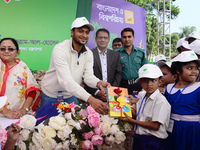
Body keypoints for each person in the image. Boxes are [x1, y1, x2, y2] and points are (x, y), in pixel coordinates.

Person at [41, 17, 109, 114]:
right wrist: (91, 99)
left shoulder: (89, 53)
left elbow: (88, 76)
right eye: (80, 31)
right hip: (51, 95)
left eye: (87, 32)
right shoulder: (60, 49)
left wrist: (98, 83)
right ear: (72, 32)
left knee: (70, 126)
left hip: (70, 94)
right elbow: (66, 81)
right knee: (46, 126)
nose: (84, 35)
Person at [120, 64, 171, 150]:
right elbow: (141, 117)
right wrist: (131, 110)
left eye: (153, 80)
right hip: (139, 139)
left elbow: (155, 126)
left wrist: (132, 120)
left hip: (153, 141)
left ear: (160, 81)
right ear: (140, 83)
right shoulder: (142, 98)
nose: (149, 84)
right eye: (145, 81)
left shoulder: (160, 100)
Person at [165, 51, 200, 150]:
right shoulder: (169, 88)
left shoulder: (198, 88)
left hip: (192, 130)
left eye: (196, 68)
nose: (194, 71)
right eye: (189, 68)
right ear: (178, 70)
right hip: (172, 128)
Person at [0, 38, 41, 119]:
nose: (6, 51)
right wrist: (5, 111)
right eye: (2, 48)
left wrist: (24, 110)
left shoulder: (22, 67)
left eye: (10, 49)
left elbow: (32, 91)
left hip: (18, 116)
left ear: (17, 52)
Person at [84, 28, 122, 101]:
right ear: (95, 39)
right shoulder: (89, 54)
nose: (103, 40)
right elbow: (85, 76)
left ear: (108, 40)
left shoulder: (115, 55)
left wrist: (111, 91)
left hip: (112, 95)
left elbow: (118, 74)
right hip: (93, 96)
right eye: (100, 37)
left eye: (105, 38)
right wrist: (97, 92)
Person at [116, 27, 147, 95]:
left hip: (138, 85)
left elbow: (145, 71)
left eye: (129, 37)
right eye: (124, 37)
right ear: (121, 38)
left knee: (138, 105)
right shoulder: (116, 53)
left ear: (133, 37)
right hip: (122, 86)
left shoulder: (140, 53)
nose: (127, 39)